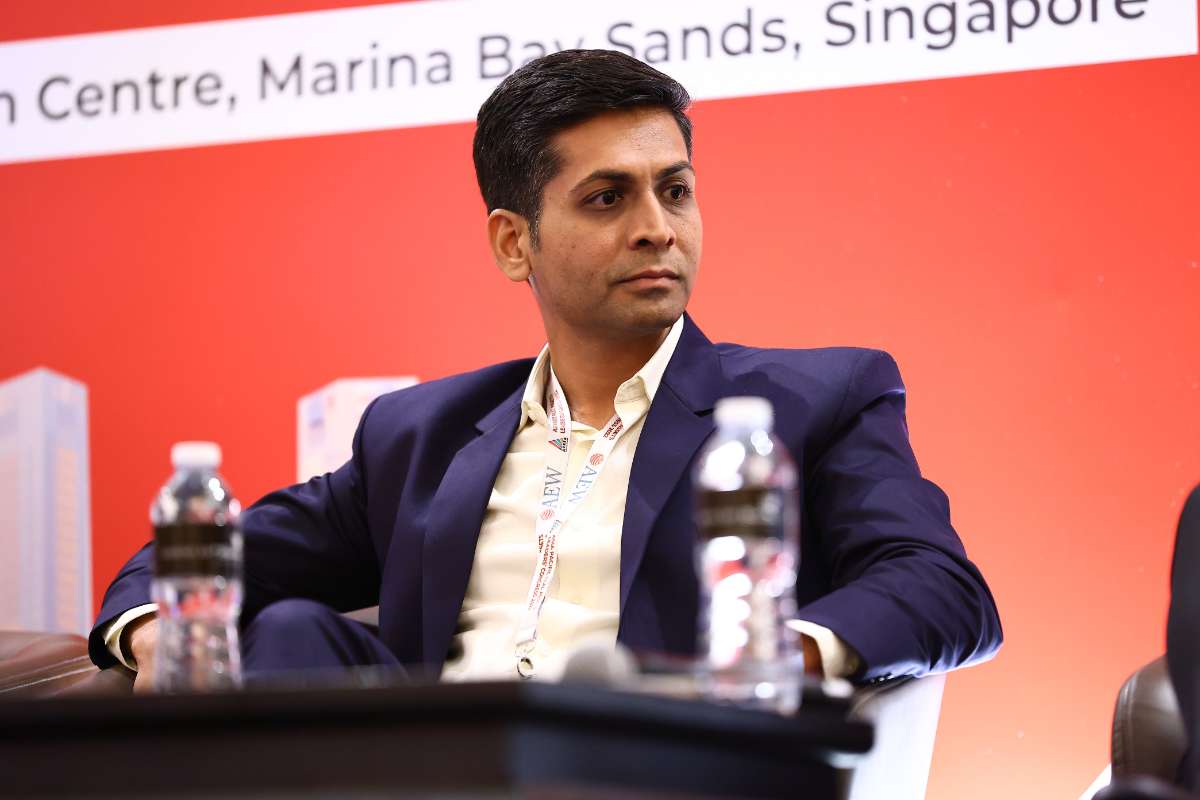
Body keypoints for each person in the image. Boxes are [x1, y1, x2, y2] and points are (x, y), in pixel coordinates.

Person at [89, 49, 1002, 691]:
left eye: (675, 190)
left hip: (647, 763)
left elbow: (941, 587)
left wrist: (774, 657)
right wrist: (155, 632)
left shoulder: (809, 404)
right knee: (289, 631)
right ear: (513, 242)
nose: (657, 229)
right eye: (608, 198)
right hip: (422, 772)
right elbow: (202, 553)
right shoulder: (419, 435)